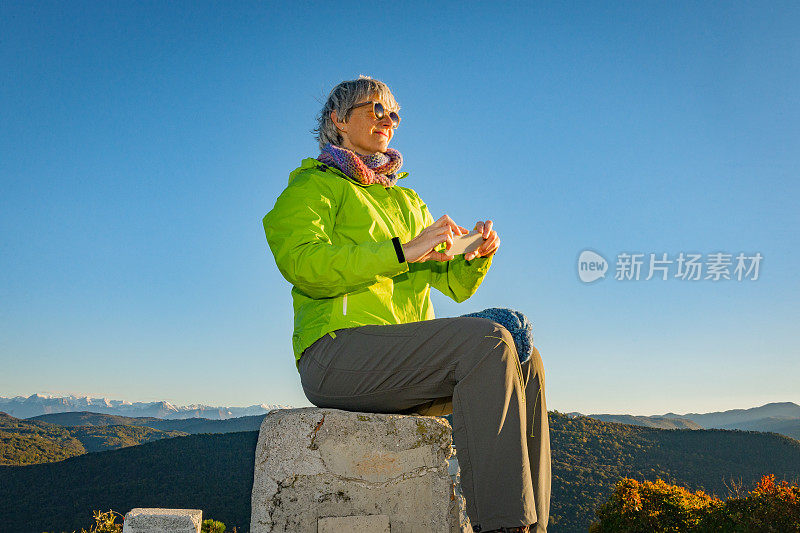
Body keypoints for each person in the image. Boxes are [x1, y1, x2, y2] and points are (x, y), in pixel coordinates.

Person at [262, 76, 550, 533]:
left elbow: (453, 286)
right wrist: (403, 250)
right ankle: (504, 527)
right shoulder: (313, 187)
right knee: (488, 341)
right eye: (375, 109)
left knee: (522, 355)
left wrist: (473, 256)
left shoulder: (407, 201)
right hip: (337, 355)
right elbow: (304, 263)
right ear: (337, 119)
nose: (387, 120)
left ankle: (531, 526)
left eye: (393, 114)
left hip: (403, 370)